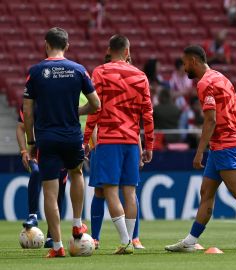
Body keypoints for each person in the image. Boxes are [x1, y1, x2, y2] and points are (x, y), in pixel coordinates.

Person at [165, 45, 236, 253]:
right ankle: (191, 241)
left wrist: (199, 152)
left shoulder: (204, 83)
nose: (184, 67)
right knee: (206, 191)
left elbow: (210, 120)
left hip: (224, 144)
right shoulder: (222, 78)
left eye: (185, 63)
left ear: (194, 61)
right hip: (225, 143)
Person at [23, 27, 100, 258]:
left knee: (50, 190)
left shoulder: (35, 72)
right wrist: (77, 111)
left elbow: (27, 112)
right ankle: (77, 223)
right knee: (76, 173)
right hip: (71, 136)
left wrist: (31, 140)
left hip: (47, 137)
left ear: (46, 44)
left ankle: (57, 247)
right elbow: (96, 104)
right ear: (67, 45)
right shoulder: (79, 70)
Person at [83, 35, 154, 255]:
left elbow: (95, 109)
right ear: (127, 50)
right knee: (130, 193)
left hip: (109, 141)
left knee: (110, 192)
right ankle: (131, 239)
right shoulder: (141, 76)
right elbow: (148, 114)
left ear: (109, 49)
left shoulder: (100, 72)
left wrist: (86, 138)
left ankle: (125, 241)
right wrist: (149, 144)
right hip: (132, 142)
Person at [16, 107, 68, 249]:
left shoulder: (60, 97)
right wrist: (23, 151)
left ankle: (52, 235)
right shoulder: (31, 101)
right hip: (37, 151)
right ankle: (33, 215)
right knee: (37, 172)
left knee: (59, 191)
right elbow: (21, 127)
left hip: (60, 150)